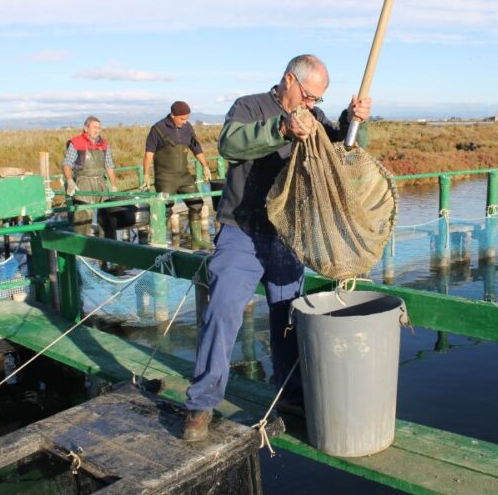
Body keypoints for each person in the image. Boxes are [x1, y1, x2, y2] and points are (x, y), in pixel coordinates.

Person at [182, 54, 372, 441]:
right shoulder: (249, 107)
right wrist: (282, 128)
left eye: (317, 100)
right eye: (308, 96)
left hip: (288, 237)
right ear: (289, 79)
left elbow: (344, 152)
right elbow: (229, 145)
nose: (311, 105)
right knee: (222, 312)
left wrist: (354, 122)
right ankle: (201, 405)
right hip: (242, 231)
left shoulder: (315, 119)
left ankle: (291, 395)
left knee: (289, 320)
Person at [143, 101, 213, 249]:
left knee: (196, 203)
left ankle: (197, 239)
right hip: (165, 177)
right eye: (182, 119)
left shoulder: (188, 128)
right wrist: (146, 174)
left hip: (184, 176)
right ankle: (158, 240)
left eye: (187, 118)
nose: (184, 122)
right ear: (172, 115)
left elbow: (196, 147)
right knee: (165, 208)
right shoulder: (158, 129)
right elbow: (149, 153)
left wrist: (205, 166)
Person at [62, 116, 118, 235]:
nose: (97, 130)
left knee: (107, 213)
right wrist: (70, 181)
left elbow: (109, 165)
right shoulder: (76, 142)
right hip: (84, 182)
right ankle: (81, 247)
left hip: (101, 182)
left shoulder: (103, 144)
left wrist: (113, 186)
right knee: (83, 215)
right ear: (86, 128)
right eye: (94, 127)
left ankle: (107, 245)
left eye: (99, 128)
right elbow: (67, 164)